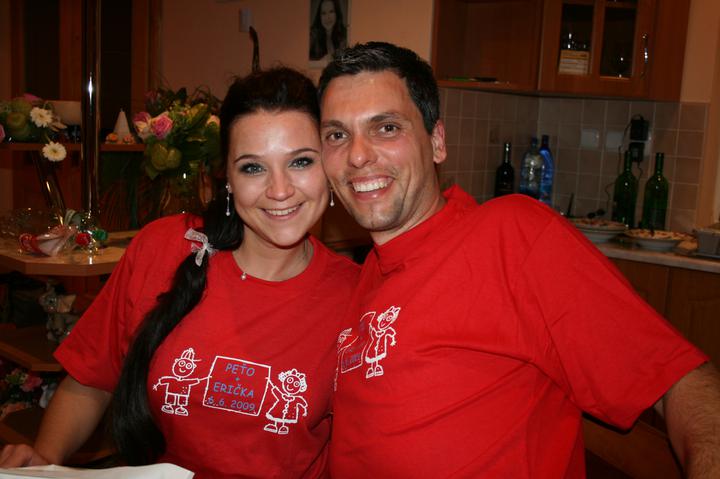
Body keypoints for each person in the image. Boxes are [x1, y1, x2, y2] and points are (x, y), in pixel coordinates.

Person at [317, 41, 720, 478]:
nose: (358, 155)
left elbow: (684, 382)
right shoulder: (365, 277)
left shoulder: (511, 236)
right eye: (337, 135)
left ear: (436, 142)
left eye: (386, 127)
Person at [0, 67, 359, 478]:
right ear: (226, 178)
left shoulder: (356, 297)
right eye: (253, 168)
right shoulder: (163, 247)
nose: (279, 190)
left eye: (300, 161)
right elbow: (91, 379)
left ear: (329, 167)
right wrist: (44, 461)